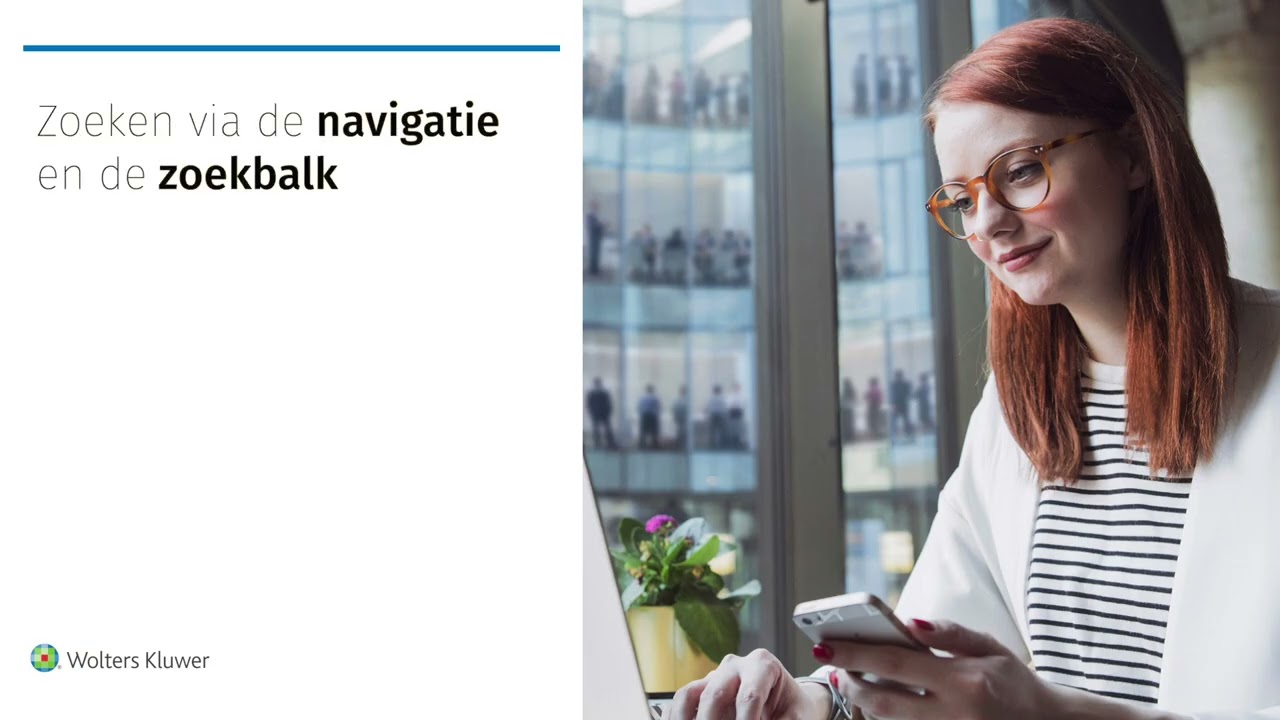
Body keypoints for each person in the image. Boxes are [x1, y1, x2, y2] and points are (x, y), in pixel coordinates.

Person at [665, 18, 1280, 718]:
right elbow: (934, 659)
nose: (986, 223)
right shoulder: (1018, 414)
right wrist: (813, 703)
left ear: (1134, 154)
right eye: (961, 200)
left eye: (1020, 171)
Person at [584, 378, 616, 450]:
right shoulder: (599, 392)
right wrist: (592, 412)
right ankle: (603, 443)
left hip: (600, 413)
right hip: (600, 413)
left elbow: (589, 404)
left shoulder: (597, 392)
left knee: (603, 428)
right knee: (601, 429)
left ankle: (605, 443)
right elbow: (589, 404)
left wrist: (591, 411)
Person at [889, 370, 915, 442]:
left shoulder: (895, 384)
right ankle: (903, 434)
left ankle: (906, 434)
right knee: (901, 420)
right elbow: (909, 394)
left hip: (900, 404)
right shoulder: (901, 384)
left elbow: (893, 395)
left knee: (903, 420)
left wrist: (893, 404)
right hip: (902, 404)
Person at [585, 200, 606, 277]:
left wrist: (602, 225)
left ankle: (596, 269)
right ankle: (593, 271)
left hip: (597, 237)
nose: (597, 208)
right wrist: (601, 225)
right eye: (595, 206)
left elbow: (597, 225)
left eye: (597, 206)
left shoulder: (596, 215)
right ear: (592, 206)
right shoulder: (590, 215)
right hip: (593, 237)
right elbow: (592, 226)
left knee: (597, 254)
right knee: (593, 254)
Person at [637, 384, 661, 449]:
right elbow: (658, 407)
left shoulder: (642, 397)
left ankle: (642, 445)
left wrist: (641, 414)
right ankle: (654, 445)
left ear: (646, 390)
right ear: (652, 390)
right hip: (652, 416)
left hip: (644, 415)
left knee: (643, 431)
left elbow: (639, 407)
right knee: (654, 431)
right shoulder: (655, 397)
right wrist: (657, 415)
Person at [705, 385, 727, 449]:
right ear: (720, 391)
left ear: (714, 391)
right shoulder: (722, 398)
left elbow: (708, 407)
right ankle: (722, 444)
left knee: (712, 431)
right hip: (720, 415)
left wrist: (708, 414)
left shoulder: (711, 398)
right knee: (721, 430)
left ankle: (712, 444)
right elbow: (724, 408)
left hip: (713, 415)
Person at [840, 378, 858, 442]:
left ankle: (849, 437)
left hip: (848, 409)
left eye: (845, 383)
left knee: (848, 423)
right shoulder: (848, 390)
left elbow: (853, 399)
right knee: (848, 423)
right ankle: (849, 437)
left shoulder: (849, 390)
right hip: (847, 409)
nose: (844, 385)